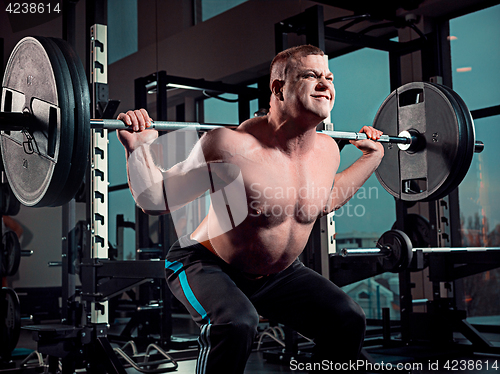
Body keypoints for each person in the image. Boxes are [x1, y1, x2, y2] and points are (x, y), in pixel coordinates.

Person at [117, 45, 384, 373]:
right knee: (236, 324)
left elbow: (324, 201)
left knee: (347, 320)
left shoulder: (328, 150)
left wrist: (372, 158)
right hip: (205, 263)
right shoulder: (229, 145)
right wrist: (139, 148)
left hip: (278, 275)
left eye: (328, 77)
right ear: (278, 88)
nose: (325, 84)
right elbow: (156, 200)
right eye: (310, 76)